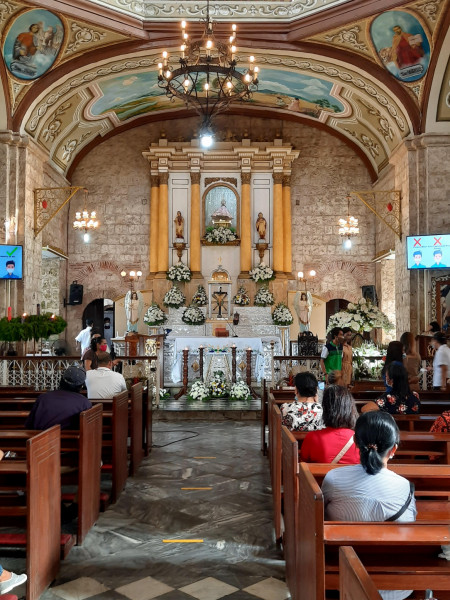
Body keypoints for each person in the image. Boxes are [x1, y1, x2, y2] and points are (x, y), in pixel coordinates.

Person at [322, 411, 416, 600]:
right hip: (395, 588)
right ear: (393, 449)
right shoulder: (404, 487)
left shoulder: (333, 478)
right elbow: (410, 525)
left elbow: (319, 514)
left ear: (356, 443)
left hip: (340, 577)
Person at [299, 385, 359, 464]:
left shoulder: (313, 438)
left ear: (325, 409)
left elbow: (303, 466)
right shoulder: (360, 438)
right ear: (350, 408)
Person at [25, 366, 91, 430]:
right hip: (69, 441)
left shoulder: (42, 398)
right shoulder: (84, 403)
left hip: (40, 440)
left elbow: (29, 425)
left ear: (61, 380)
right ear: (82, 386)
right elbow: (86, 429)